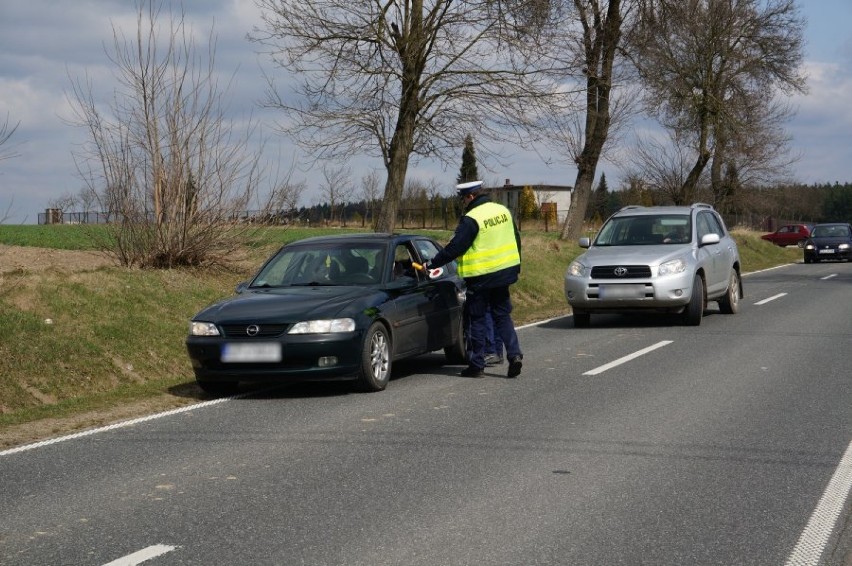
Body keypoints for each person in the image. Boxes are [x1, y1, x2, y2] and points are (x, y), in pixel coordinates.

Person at [423, 180, 523, 378]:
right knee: (502, 315)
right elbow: (516, 239)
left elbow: (455, 247)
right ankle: (515, 355)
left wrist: (432, 264)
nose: (463, 203)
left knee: (476, 318)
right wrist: (516, 267)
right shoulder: (502, 211)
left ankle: (476, 365)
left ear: (470, 196)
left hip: (481, 277)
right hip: (504, 274)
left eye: (463, 199)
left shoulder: (472, 218)